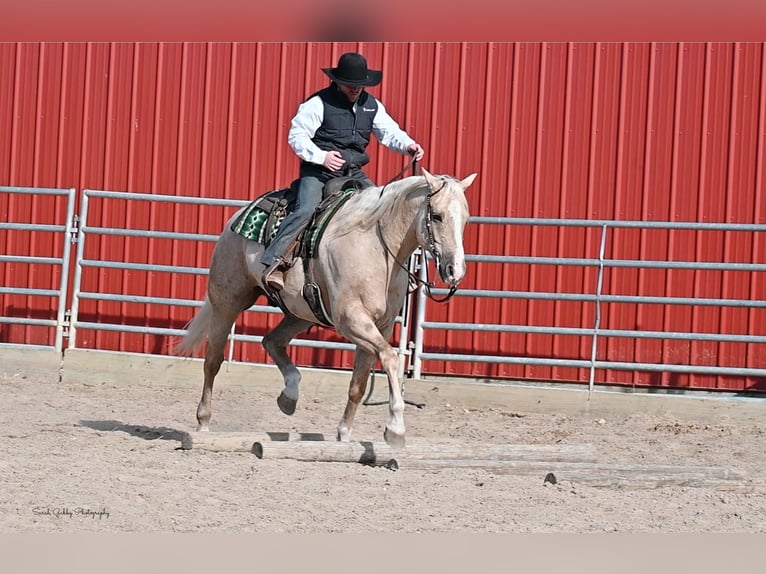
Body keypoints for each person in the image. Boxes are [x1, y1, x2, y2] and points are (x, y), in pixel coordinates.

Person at [260, 52, 425, 291]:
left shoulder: (372, 106)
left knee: (383, 209)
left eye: (359, 85)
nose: (355, 89)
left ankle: (392, 271)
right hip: (319, 172)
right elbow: (297, 135)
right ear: (337, 81)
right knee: (305, 210)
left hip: (353, 171)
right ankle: (276, 262)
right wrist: (322, 157)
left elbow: (390, 132)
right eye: (350, 84)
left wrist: (408, 144)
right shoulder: (318, 103)